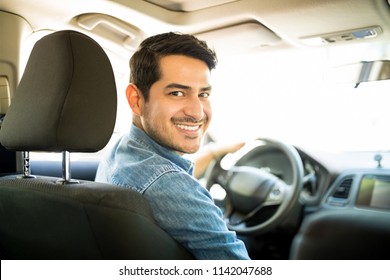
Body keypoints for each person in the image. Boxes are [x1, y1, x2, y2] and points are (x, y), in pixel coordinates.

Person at [95, 32, 250, 260]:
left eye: (203, 94)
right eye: (177, 93)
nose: (197, 112)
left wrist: (216, 152)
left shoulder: (124, 149)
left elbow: (164, 174)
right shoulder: (168, 184)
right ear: (136, 100)